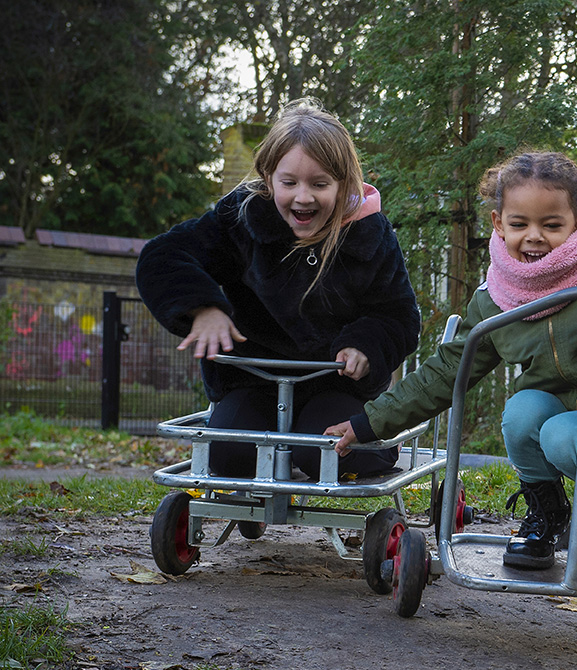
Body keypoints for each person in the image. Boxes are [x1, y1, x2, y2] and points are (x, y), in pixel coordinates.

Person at [326, 151, 577, 582]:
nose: (535, 237)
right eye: (519, 224)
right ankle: (548, 514)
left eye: (552, 225)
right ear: (498, 223)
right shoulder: (496, 296)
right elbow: (447, 370)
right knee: (523, 410)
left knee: (563, 431)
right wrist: (368, 423)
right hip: (570, 430)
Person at [136, 99, 420, 481]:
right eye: (289, 183)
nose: (303, 197)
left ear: (343, 183)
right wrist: (202, 308)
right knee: (228, 454)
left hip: (332, 380)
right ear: (269, 179)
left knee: (327, 451)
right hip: (253, 377)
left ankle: (382, 446)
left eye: (319, 184)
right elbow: (164, 255)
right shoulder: (241, 218)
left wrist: (366, 346)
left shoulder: (368, 236)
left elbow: (399, 315)